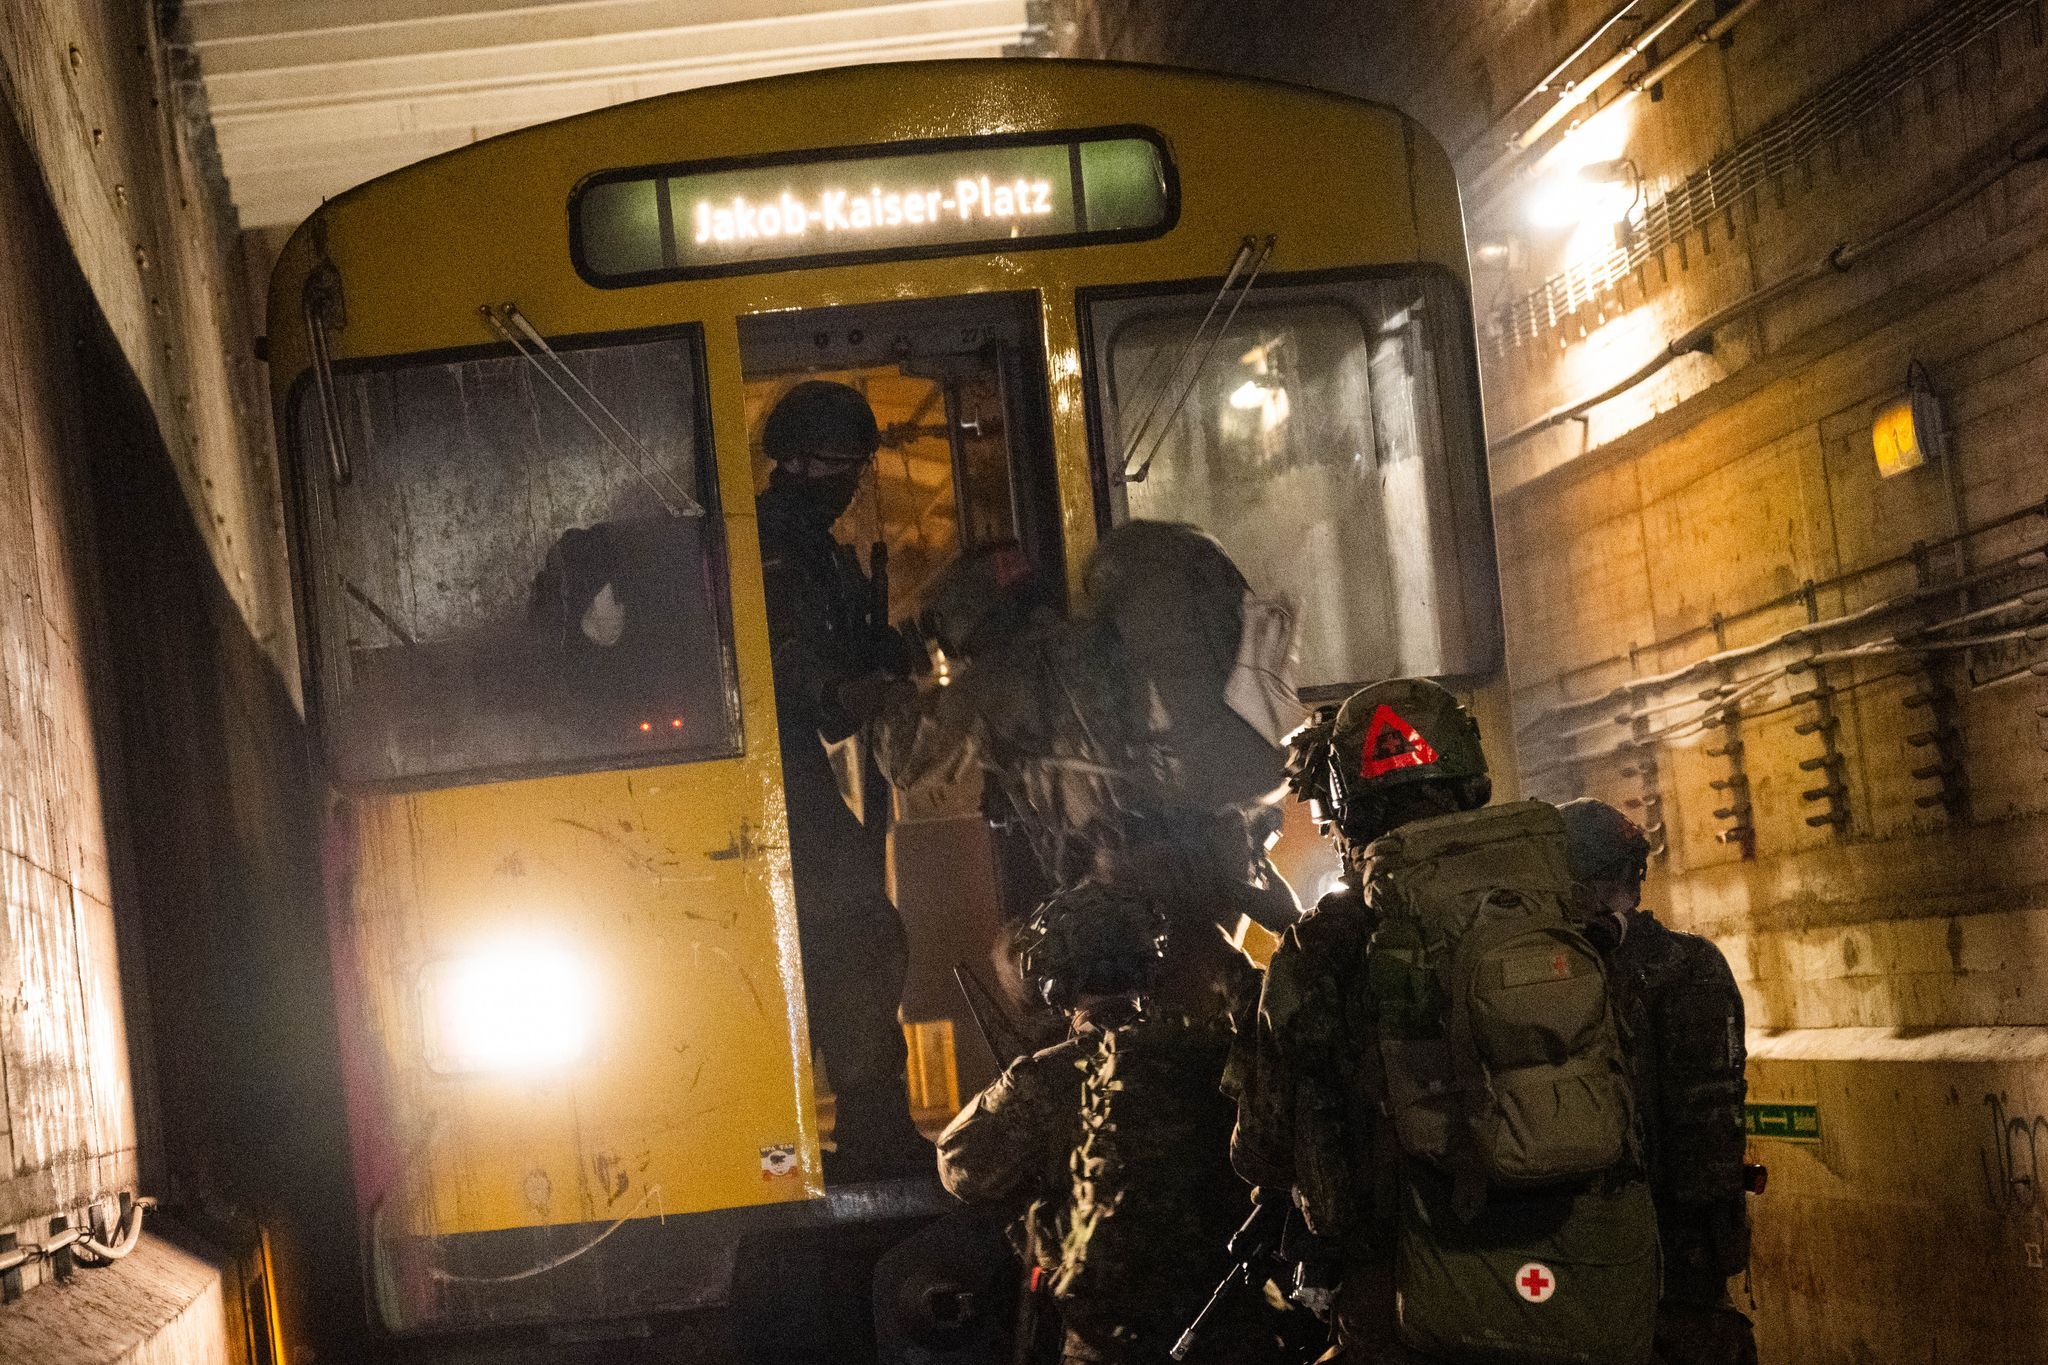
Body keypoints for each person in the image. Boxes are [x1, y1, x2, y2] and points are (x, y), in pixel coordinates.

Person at [1231, 679, 1659, 1365]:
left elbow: (1263, 1148)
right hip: (1592, 1290)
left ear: (1345, 800)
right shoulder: (1570, 910)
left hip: (1407, 1308)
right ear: (1469, 771)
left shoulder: (1325, 945)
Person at [875, 528, 1300, 940]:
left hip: (1125, 892)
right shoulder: (1094, 637)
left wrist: (895, 673)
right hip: (1205, 854)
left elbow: (904, 758)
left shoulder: (994, 681)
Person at [937, 883, 1281, 1365]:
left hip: (1108, 1347)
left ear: (1053, 982)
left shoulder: (1040, 1083)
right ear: (1148, 967)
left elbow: (960, 1169)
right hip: (1233, 1333)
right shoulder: (1216, 1057)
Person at [755, 379, 927, 1181]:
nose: (850, 483)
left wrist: (887, 654)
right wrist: (838, 691)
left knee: (859, 930)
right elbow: (781, 657)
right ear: (796, 462)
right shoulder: (770, 544)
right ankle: (871, 1127)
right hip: (774, 773)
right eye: (839, 466)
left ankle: (867, 1123)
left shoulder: (822, 548)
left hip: (810, 771)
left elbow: (848, 642)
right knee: (855, 933)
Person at [1558, 799, 1757, 1365]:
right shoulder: (1694, 964)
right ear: (1633, 876)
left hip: (1579, 1249)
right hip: (1685, 1253)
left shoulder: (1545, 980)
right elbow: (1715, 1117)